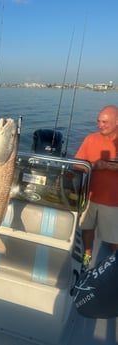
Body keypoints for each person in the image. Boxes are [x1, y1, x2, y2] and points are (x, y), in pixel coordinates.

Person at [75, 105, 118, 271]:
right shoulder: (90, 139)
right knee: (87, 228)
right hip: (89, 196)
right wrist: (95, 165)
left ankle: (113, 265)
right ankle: (87, 255)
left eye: (105, 122)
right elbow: (78, 165)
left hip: (113, 201)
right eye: (99, 121)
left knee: (114, 237)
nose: (100, 125)